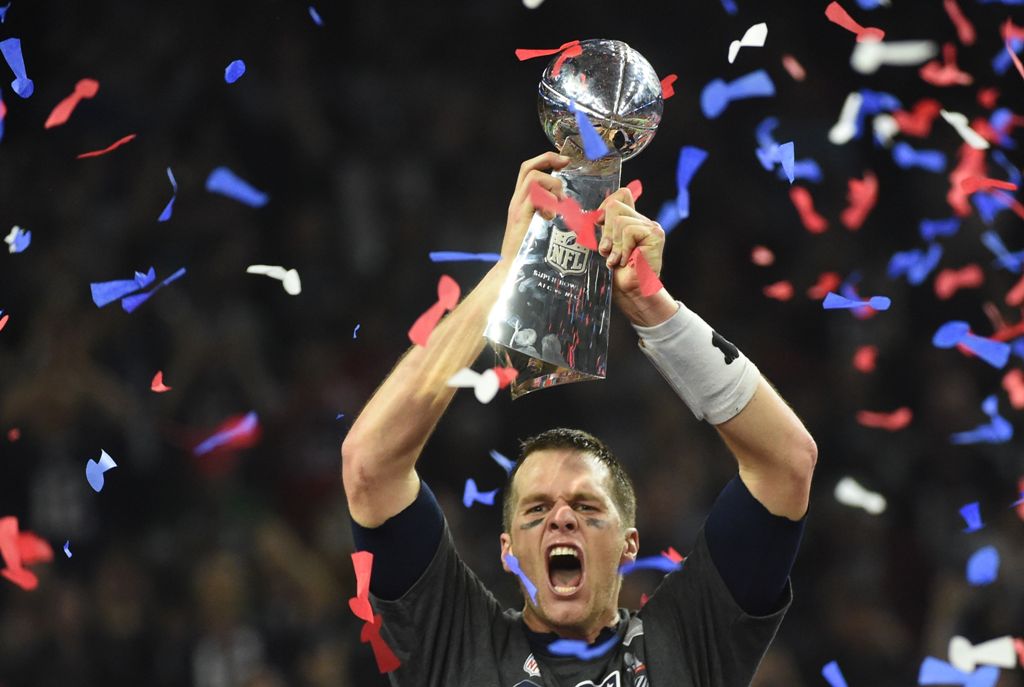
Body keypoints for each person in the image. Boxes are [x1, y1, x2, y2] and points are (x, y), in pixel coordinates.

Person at [341, 152, 817, 687]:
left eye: (588, 507)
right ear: (508, 551)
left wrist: (654, 310)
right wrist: (507, 276)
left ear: (629, 544)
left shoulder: (684, 640)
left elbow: (787, 462)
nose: (561, 519)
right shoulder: (457, 643)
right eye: (536, 509)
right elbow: (369, 465)